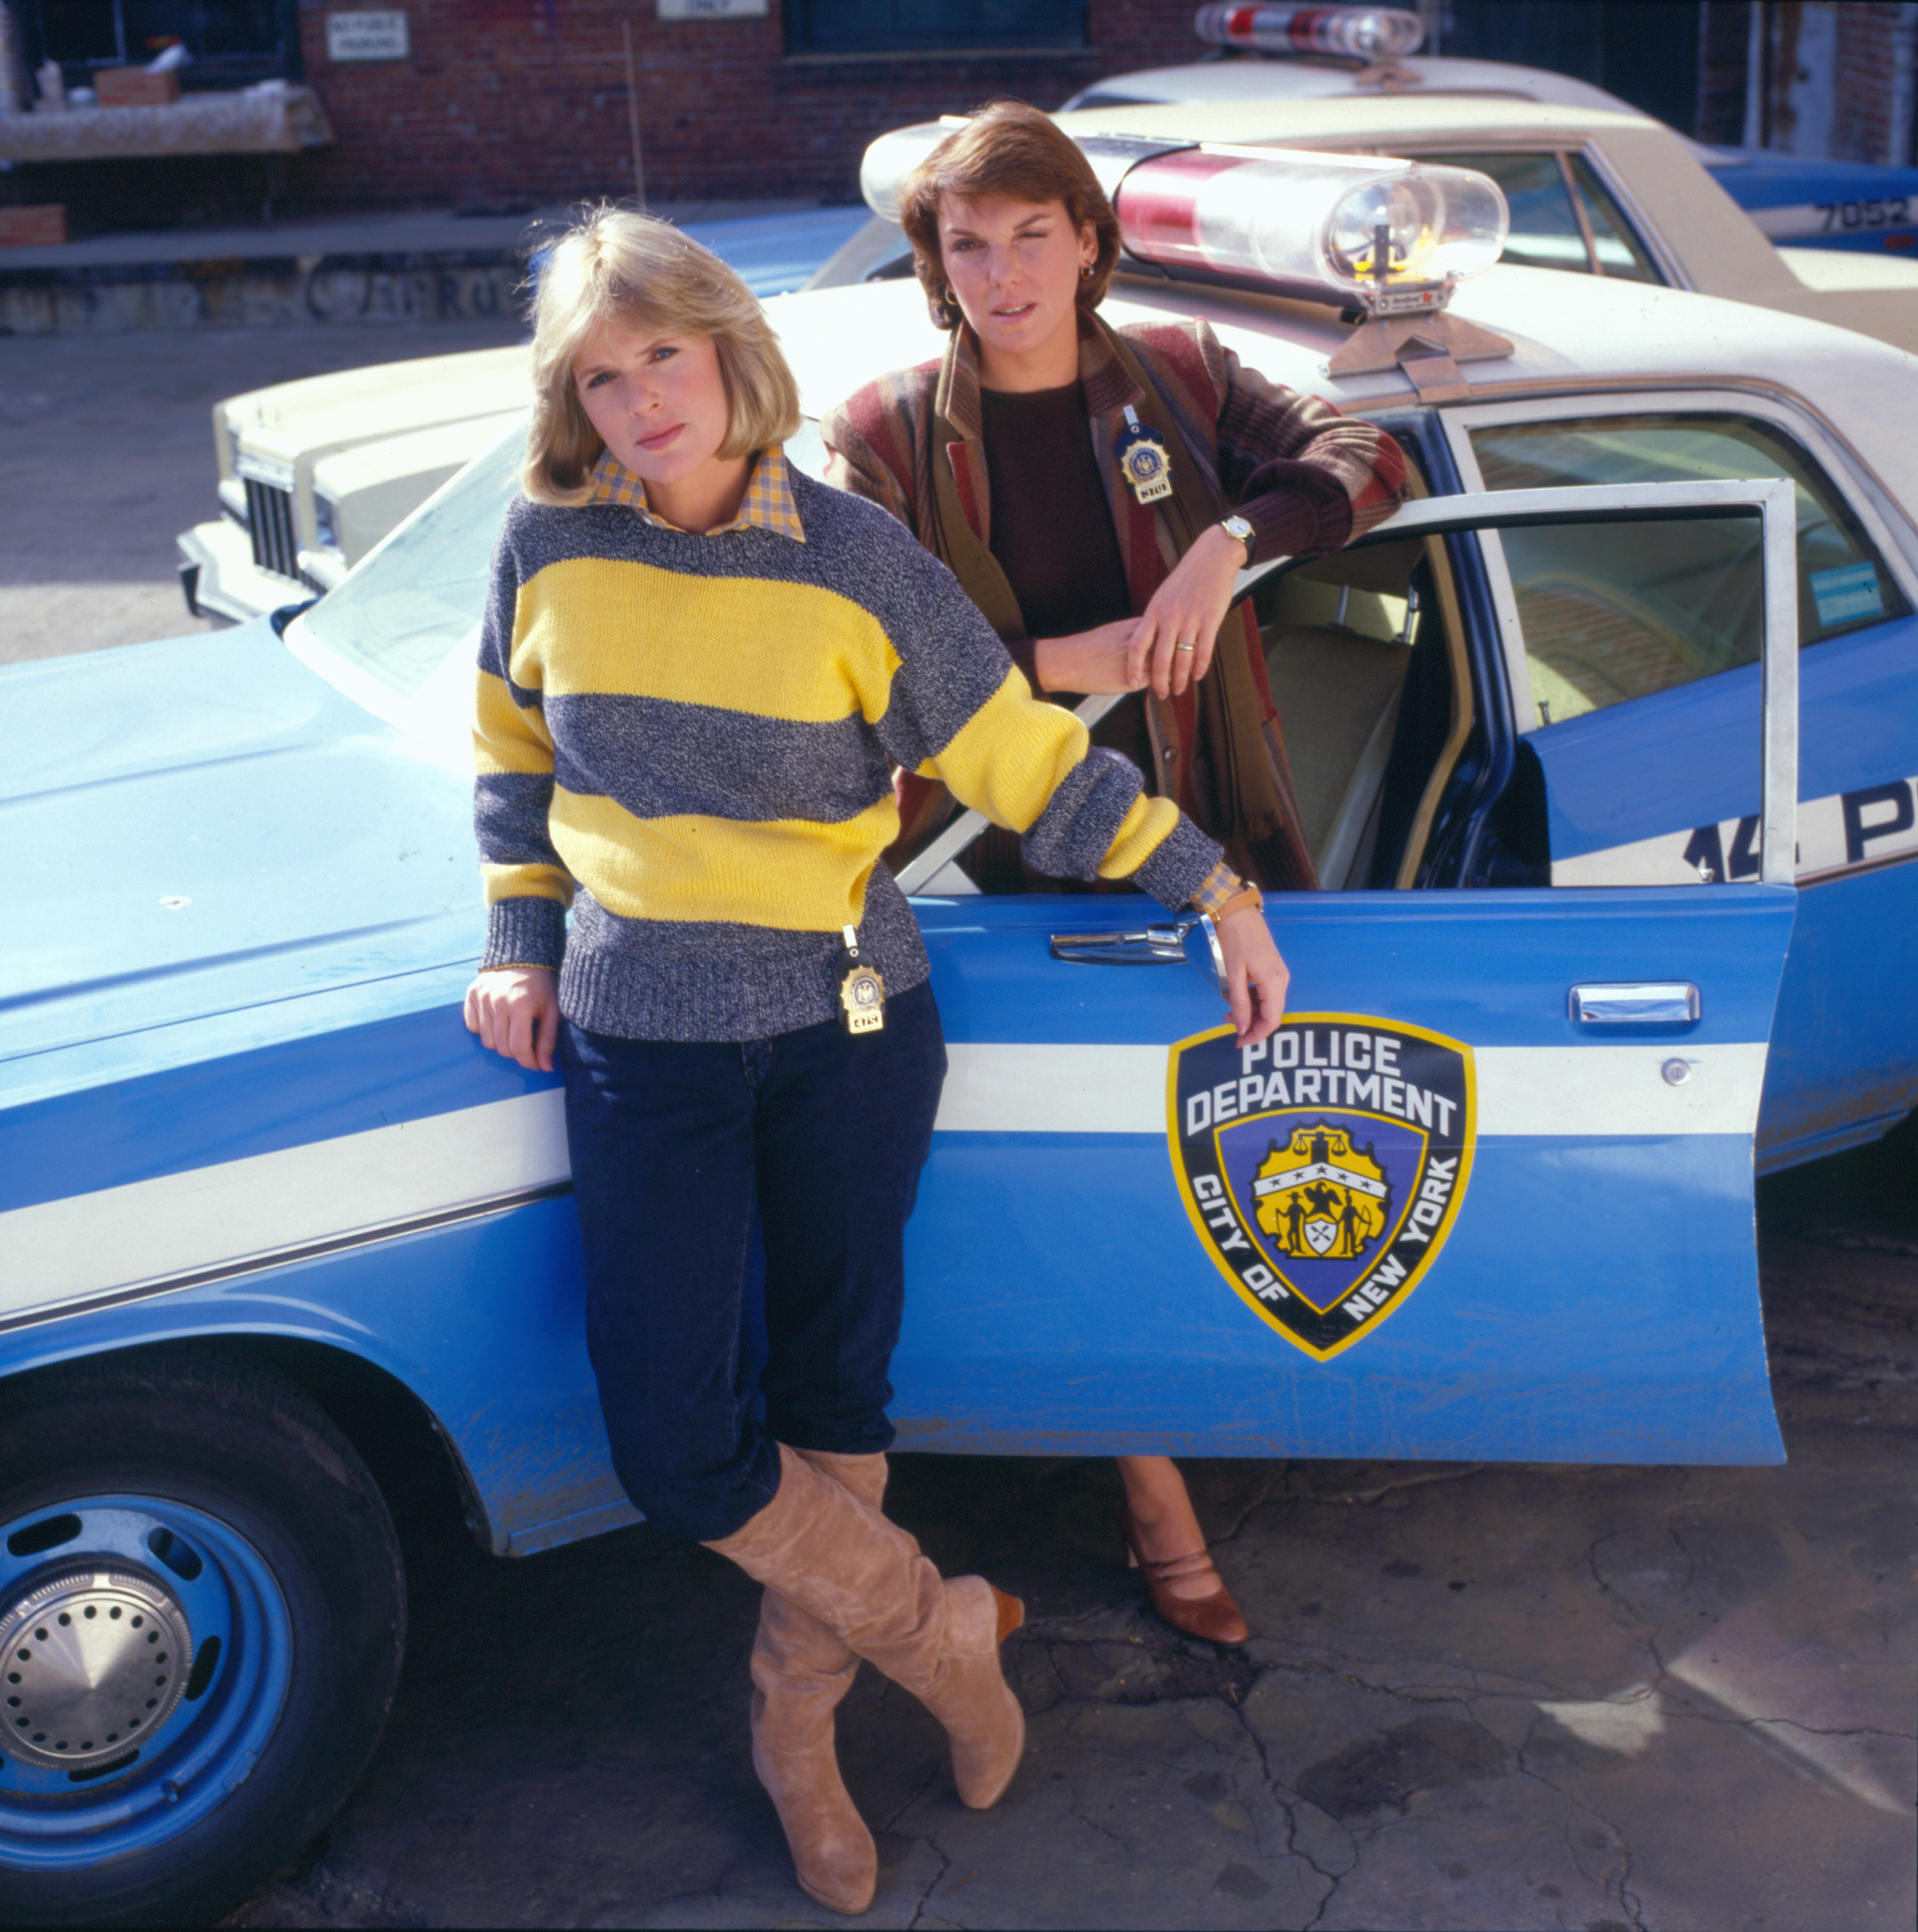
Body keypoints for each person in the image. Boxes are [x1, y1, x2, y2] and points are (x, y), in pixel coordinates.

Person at [462, 207, 1291, 1918]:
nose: (638, 404)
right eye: (601, 379)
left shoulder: (856, 560)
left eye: (662, 359)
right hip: (645, 1040)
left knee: (836, 1406)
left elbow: (1019, 759)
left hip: (849, 1035)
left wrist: (1214, 885)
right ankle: (949, 1635)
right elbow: (506, 763)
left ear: (728, 353)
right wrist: (517, 943)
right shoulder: (544, 548)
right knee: (679, 1447)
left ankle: (798, 1741)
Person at [823, 100, 1410, 1647]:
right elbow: (861, 664)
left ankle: (1225, 1408)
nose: (1006, 273)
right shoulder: (880, 434)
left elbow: (1368, 453)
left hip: (1215, 840)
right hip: (998, 866)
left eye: (1035, 236)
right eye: (972, 245)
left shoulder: (1187, 381)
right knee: (1080, 1189)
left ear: (1088, 242)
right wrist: (1061, 659)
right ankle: (1158, 1496)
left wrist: (1228, 544)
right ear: (936, 265)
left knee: (1223, 1154)